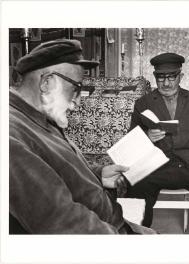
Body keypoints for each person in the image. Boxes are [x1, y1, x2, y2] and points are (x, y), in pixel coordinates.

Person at [9, 39, 156, 234]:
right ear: (46, 83)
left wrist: (97, 175)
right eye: (76, 89)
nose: (78, 101)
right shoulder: (11, 137)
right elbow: (65, 223)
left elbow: (58, 170)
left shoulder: (43, 116)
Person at [127, 52, 189, 234]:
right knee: (134, 186)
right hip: (156, 166)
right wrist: (147, 137)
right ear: (155, 77)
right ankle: (138, 235)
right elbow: (132, 138)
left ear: (180, 76)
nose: (166, 83)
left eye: (171, 77)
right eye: (160, 78)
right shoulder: (143, 103)